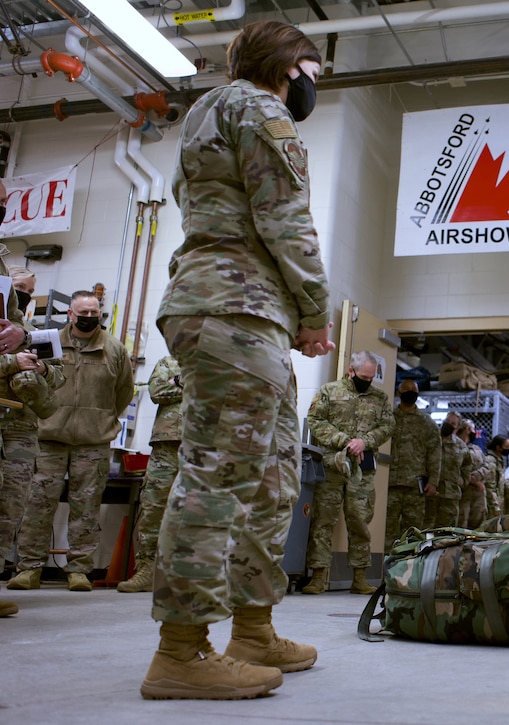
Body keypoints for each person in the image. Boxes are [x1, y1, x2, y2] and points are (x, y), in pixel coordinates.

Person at [143, 21, 335, 701]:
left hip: (241, 310)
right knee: (219, 475)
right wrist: (316, 310)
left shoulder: (206, 112)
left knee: (271, 475)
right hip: (235, 307)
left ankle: (253, 626)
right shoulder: (259, 107)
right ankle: (181, 649)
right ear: (292, 66)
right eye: (316, 70)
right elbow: (285, 217)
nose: (317, 84)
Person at [7, 291, 132, 595]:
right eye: (83, 312)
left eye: (94, 312)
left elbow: (123, 393)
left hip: (92, 442)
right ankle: (29, 568)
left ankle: (79, 570)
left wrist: (98, 419)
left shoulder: (113, 349)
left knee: (86, 509)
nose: (89, 317)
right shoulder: (46, 342)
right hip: (49, 437)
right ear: (70, 314)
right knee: (37, 505)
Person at [0, 263, 64, 618]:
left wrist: (40, 368)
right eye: (19, 287)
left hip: (21, 428)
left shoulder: (31, 331)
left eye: (27, 289)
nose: (22, 294)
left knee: (10, 510)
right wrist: (13, 362)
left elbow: (58, 376)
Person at [301, 351, 393, 596]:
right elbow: (315, 419)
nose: (368, 382)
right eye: (364, 376)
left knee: (360, 521)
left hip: (362, 470)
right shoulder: (329, 391)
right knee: (322, 520)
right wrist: (344, 440)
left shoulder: (380, 398)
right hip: (332, 465)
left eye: (372, 378)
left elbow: (388, 426)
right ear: (351, 371)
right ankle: (319, 576)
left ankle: (360, 578)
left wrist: (364, 441)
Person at [117, 355, 183, 593]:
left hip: (208, 447)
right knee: (154, 506)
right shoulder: (169, 362)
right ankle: (147, 568)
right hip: (166, 444)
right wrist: (190, 382)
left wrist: (177, 383)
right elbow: (156, 391)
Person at [384, 379, 440, 550]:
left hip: (415, 486)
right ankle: (384, 567)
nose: (410, 392)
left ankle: (407, 567)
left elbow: (435, 453)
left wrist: (434, 481)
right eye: (406, 389)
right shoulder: (389, 419)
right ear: (399, 393)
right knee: (387, 529)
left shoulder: (426, 422)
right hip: (390, 483)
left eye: (413, 390)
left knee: (412, 531)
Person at [424, 411, 470, 529]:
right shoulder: (431, 438)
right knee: (426, 529)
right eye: (447, 421)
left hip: (450, 496)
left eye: (453, 423)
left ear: (458, 427)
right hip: (429, 494)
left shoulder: (461, 446)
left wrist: (463, 481)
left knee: (447, 531)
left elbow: (467, 465)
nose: (448, 424)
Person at [456, 420, 488, 529]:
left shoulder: (477, 449)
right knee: (461, 525)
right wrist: (472, 480)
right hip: (462, 494)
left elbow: (487, 467)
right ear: (467, 430)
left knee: (478, 526)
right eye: (473, 429)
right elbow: (454, 470)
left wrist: (476, 476)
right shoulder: (455, 447)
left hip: (478, 497)